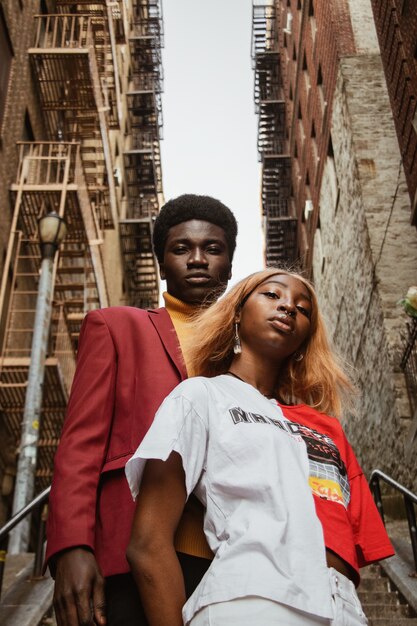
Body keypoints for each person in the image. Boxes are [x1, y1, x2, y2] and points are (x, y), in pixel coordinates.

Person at [125, 268, 394, 626]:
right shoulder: (201, 396)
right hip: (249, 601)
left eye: (303, 308)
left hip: (341, 609)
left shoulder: (327, 428)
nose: (288, 307)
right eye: (272, 295)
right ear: (237, 312)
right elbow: (147, 544)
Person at [45, 194, 238, 626]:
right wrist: (71, 547)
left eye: (212, 248)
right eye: (181, 248)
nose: (197, 259)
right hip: (134, 553)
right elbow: (79, 445)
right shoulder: (116, 327)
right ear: (162, 262)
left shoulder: (249, 352)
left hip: (235, 561)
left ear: (229, 262)